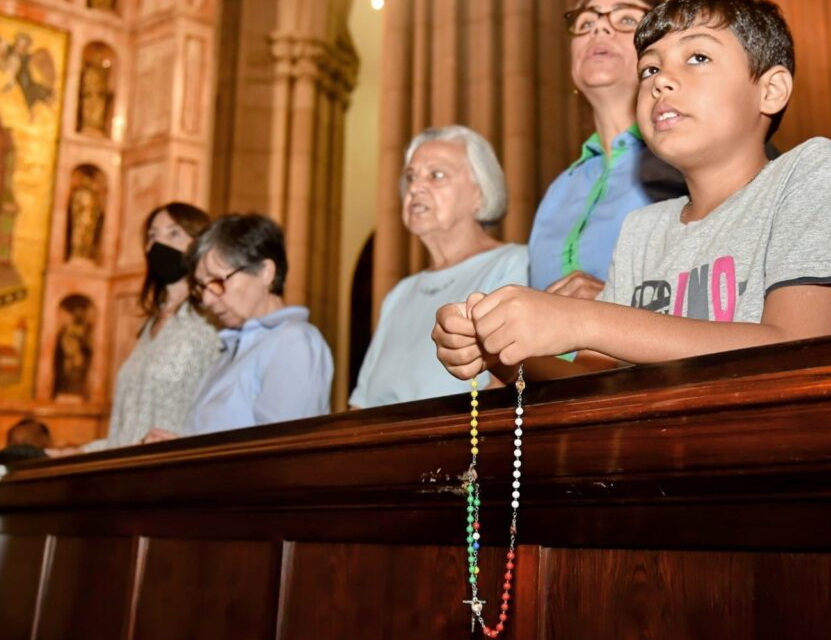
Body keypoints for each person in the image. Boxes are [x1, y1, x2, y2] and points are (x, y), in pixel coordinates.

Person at [432, 0, 831, 380]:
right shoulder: (642, 229)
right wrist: (501, 353)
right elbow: (592, 381)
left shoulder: (808, 171)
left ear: (771, 89)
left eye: (698, 57)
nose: (661, 80)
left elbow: (795, 349)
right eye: (648, 70)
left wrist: (581, 319)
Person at [528, 0, 685, 301]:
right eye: (586, 23)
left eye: (625, 19)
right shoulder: (558, 191)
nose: (599, 29)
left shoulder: (687, 158)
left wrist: (615, 302)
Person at [349, 126, 527, 408]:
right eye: (411, 177)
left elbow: (506, 382)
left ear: (479, 193)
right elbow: (362, 403)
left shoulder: (513, 264)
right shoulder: (399, 293)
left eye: (437, 175)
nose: (415, 187)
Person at [158, 214, 333, 437]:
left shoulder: (293, 342)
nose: (208, 300)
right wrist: (177, 446)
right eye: (202, 287)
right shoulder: (230, 350)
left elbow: (283, 448)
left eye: (217, 282)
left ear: (265, 272)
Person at [76, 203, 220, 452]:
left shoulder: (210, 325)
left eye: (173, 233)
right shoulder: (150, 327)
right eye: (153, 236)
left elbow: (218, 417)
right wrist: (75, 452)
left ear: (200, 245)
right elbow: (125, 434)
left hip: (173, 467)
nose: (159, 243)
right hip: (128, 466)